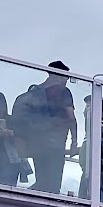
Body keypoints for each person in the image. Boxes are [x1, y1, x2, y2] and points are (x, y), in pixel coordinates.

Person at [12, 62, 77, 194]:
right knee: (53, 186)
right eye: (66, 77)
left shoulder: (36, 91)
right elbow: (71, 118)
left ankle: (26, 198)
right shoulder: (63, 91)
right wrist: (74, 142)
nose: (66, 81)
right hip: (55, 146)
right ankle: (25, 197)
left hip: (37, 143)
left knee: (42, 182)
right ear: (59, 75)